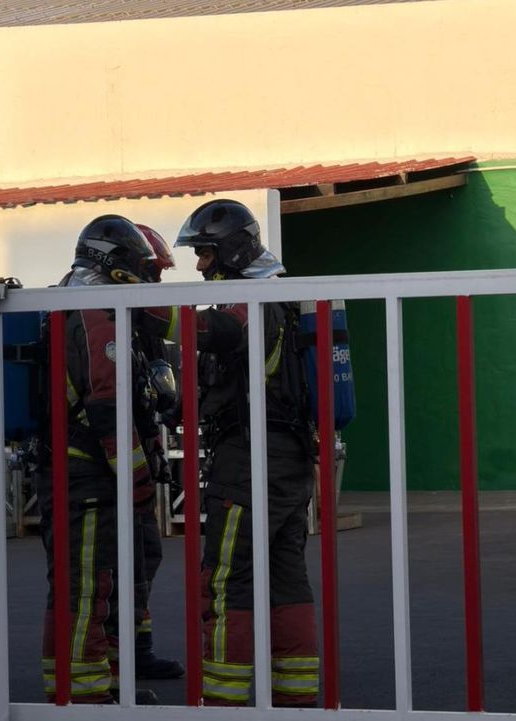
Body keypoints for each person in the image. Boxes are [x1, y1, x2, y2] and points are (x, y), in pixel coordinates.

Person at [173, 199, 320, 707]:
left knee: (226, 582)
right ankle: (296, 702)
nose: (199, 266)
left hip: (250, 463)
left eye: (206, 255)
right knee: (286, 579)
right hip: (288, 461)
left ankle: (224, 707)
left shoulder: (253, 301)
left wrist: (141, 314)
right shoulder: (280, 297)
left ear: (231, 252)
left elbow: (222, 333)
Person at [37, 214, 161, 705]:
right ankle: (83, 702)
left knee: (90, 585)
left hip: (78, 472)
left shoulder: (70, 301)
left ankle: (98, 687)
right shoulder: (91, 313)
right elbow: (108, 405)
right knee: (84, 589)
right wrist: (137, 480)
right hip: (85, 477)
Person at [129, 223, 185, 680]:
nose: (157, 283)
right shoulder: (98, 318)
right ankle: (103, 675)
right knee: (108, 569)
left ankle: (137, 653)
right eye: (152, 271)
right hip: (102, 473)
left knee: (144, 557)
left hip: (137, 462)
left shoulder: (138, 322)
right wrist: (134, 474)